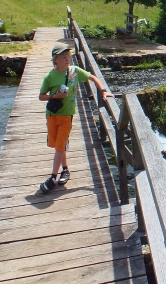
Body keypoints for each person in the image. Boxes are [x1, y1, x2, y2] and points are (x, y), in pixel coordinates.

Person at [38, 44, 113, 194]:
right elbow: (41, 96)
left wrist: (103, 91)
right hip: (52, 115)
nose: (67, 60)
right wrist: (55, 96)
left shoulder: (74, 72)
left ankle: (53, 178)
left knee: (60, 146)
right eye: (63, 57)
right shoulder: (49, 77)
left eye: (68, 57)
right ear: (55, 60)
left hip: (67, 116)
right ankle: (65, 170)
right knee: (58, 145)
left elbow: (92, 77)